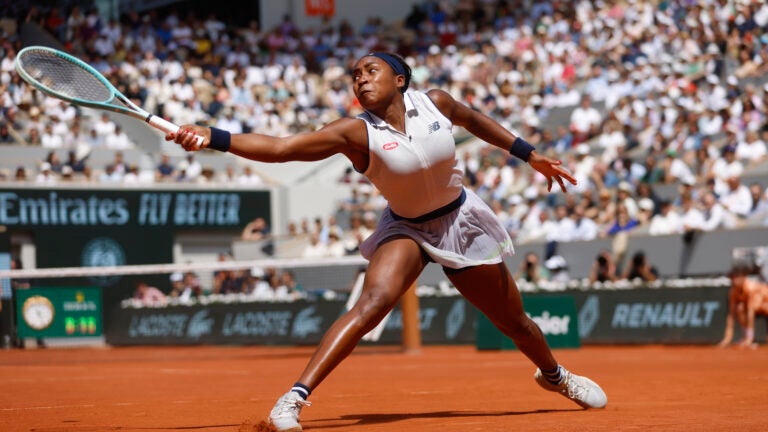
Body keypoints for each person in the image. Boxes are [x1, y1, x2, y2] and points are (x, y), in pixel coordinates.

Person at [167, 51, 607, 431]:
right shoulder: (355, 132)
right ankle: (294, 398)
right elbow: (282, 148)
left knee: (515, 323)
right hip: (406, 228)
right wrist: (214, 137)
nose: (360, 78)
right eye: (355, 74)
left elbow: (476, 122)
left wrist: (531, 156)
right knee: (372, 304)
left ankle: (554, 375)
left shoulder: (436, 103)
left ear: (399, 79)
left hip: (462, 221)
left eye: (370, 70)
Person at [718, 265, 768, 349]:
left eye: (736, 277)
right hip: (756, 308)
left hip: (764, 306)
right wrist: (727, 338)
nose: (734, 280)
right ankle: (746, 337)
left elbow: (750, 312)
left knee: (748, 308)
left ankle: (749, 338)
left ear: (743, 277)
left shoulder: (751, 288)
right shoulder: (733, 291)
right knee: (739, 308)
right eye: (733, 278)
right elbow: (731, 314)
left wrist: (750, 338)